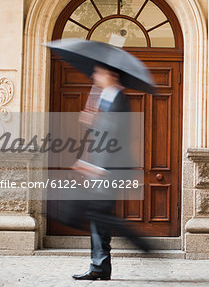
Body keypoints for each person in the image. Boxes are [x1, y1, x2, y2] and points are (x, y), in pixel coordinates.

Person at [72, 65, 130, 281]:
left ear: (110, 75)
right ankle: (100, 266)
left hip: (109, 170)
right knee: (99, 219)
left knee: (100, 217)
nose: (94, 76)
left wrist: (98, 166)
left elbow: (115, 135)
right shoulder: (106, 98)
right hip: (102, 168)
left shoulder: (118, 100)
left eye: (98, 72)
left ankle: (100, 266)